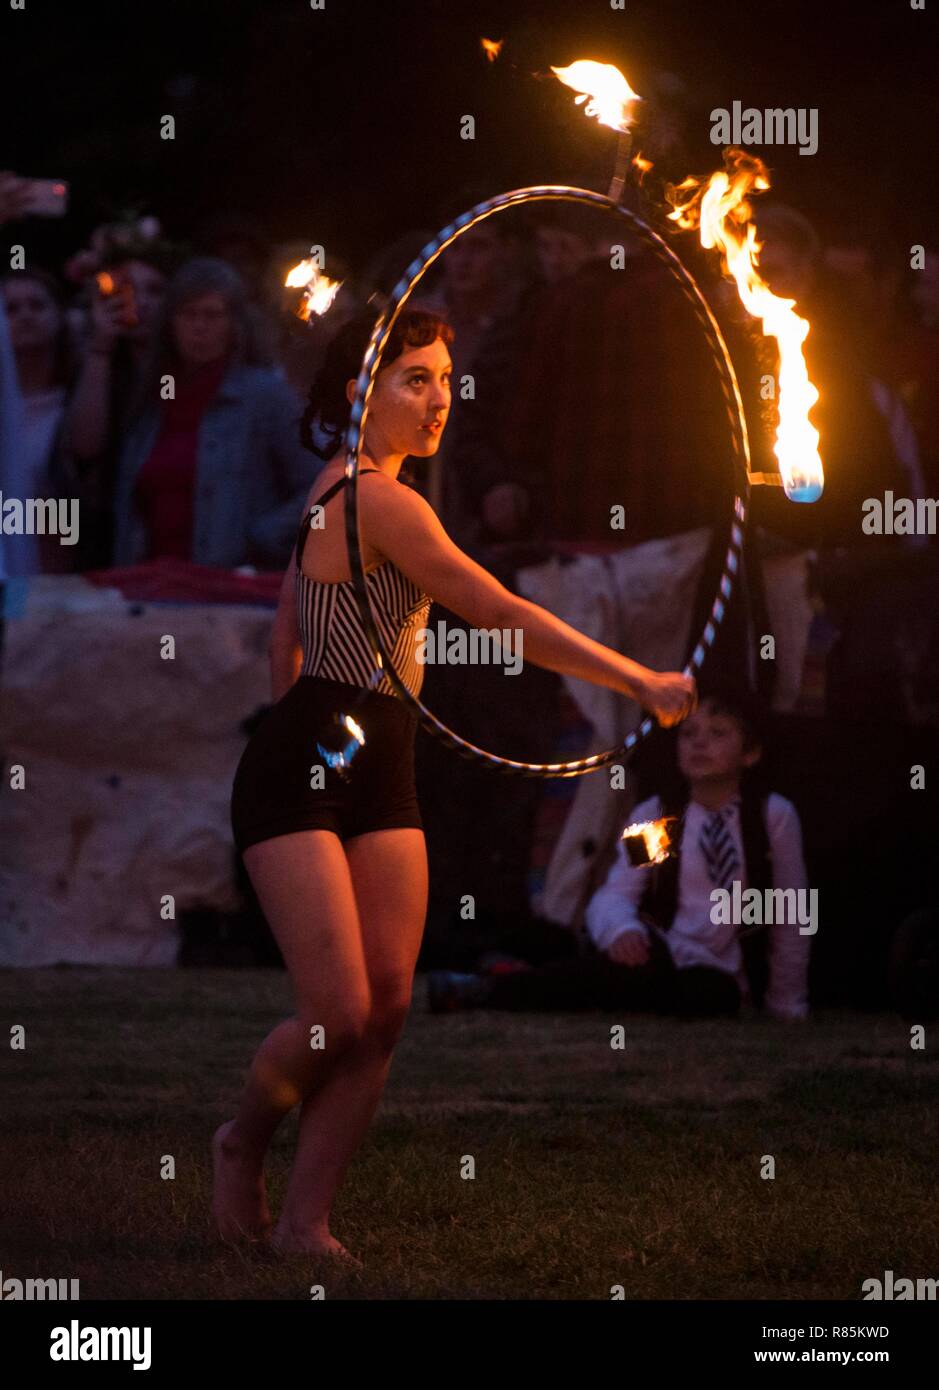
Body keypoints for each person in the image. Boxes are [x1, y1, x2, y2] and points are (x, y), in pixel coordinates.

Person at [218, 306, 697, 1262]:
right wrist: (639, 679)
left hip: (376, 754)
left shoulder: (351, 489)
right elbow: (497, 609)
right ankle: (241, 1140)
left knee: (387, 1009)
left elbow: (288, 631)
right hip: (309, 762)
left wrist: (334, 728)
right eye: (414, 379)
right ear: (361, 390)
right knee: (337, 1013)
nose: (439, 399)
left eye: (444, 378)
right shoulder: (372, 499)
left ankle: (307, 1225)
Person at [428, 689, 811, 1021]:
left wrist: (785, 1002)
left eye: (717, 734)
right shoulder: (659, 817)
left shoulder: (770, 816)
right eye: (689, 733)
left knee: (707, 995)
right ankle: (486, 987)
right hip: (662, 953)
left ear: (751, 752)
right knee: (617, 970)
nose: (698, 743)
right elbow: (616, 893)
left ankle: (512, 977)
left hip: (718, 974)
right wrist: (622, 930)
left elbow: (790, 911)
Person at [109, 257, 315, 567]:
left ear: (235, 324)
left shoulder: (265, 396)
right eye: (188, 314)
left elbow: (319, 488)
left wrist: (260, 539)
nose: (199, 327)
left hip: (228, 586)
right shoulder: (152, 397)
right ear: (171, 323)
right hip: (149, 582)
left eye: (212, 315)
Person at [0, 269, 77, 574]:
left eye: (37, 305)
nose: (25, 316)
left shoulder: (76, 406)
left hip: (56, 576)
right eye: (11, 309)